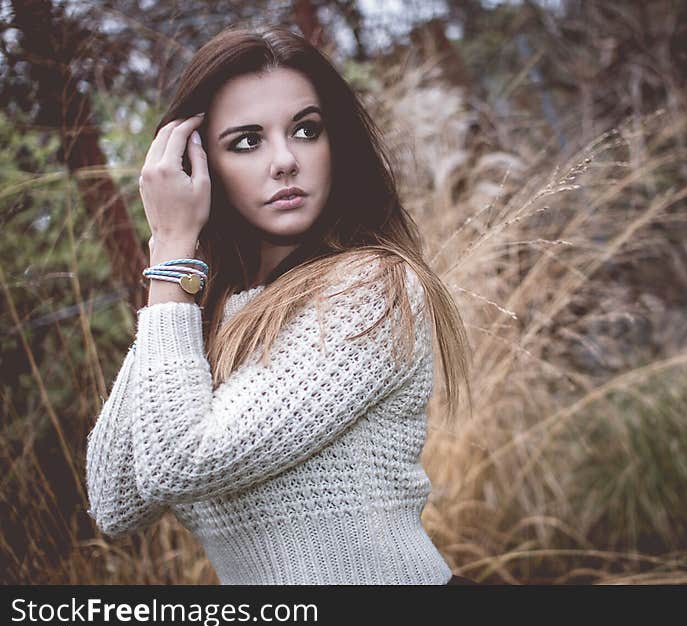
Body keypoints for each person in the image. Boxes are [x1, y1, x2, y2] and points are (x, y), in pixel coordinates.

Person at [85, 23, 478, 585]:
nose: (285, 160)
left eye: (306, 130)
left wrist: (172, 253)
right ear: (201, 167)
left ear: (335, 142)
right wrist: (177, 262)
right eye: (246, 141)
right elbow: (115, 500)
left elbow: (179, 462)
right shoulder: (200, 308)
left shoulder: (375, 289)